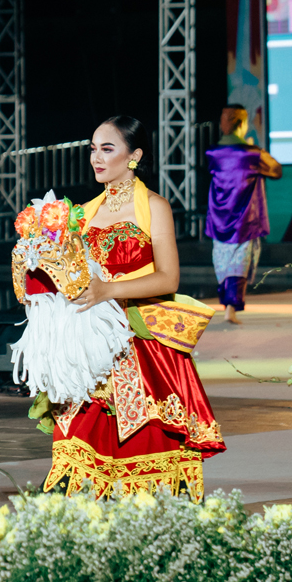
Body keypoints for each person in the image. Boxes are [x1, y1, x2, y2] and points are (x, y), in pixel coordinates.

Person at [47, 116, 225, 503]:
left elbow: (168, 279)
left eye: (107, 149)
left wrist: (109, 290)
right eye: (93, 148)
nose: (96, 157)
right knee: (78, 447)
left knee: (145, 452)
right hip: (91, 345)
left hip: (142, 344)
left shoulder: (154, 207)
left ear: (135, 155)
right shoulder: (82, 212)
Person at [204, 105, 282, 325]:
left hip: (219, 216)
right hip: (244, 216)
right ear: (243, 124)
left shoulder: (212, 153)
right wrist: (253, 149)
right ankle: (232, 306)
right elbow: (276, 170)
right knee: (240, 260)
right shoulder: (252, 154)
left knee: (222, 260)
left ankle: (228, 304)